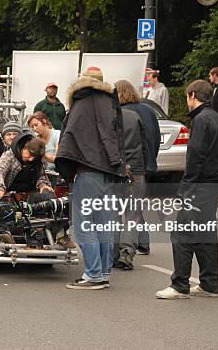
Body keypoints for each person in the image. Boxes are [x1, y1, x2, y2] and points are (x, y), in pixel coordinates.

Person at [55, 66, 127, 290]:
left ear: (83, 81)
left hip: (88, 171)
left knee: (84, 225)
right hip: (110, 172)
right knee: (105, 225)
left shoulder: (81, 101)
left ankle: (93, 274)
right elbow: (116, 137)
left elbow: (71, 135)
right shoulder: (111, 102)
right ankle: (104, 273)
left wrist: (65, 167)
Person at [156, 80, 218, 300]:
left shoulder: (201, 120)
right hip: (213, 184)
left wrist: (185, 189)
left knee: (181, 235)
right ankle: (209, 283)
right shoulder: (216, 118)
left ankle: (180, 285)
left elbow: (195, 157)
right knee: (206, 234)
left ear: (192, 95)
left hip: (199, 186)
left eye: (187, 97)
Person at [116, 80, 160, 255]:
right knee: (136, 205)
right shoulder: (148, 110)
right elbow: (155, 137)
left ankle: (127, 246)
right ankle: (142, 242)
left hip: (128, 166)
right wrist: (151, 159)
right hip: (145, 163)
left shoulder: (122, 113)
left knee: (125, 209)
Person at [113, 107, 148, 271]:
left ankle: (111, 253)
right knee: (132, 214)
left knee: (112, 212)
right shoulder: (135, 116)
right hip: (136, 167)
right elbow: (145, 143)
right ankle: (127, 252)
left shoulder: (107, 115)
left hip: (113, 169)